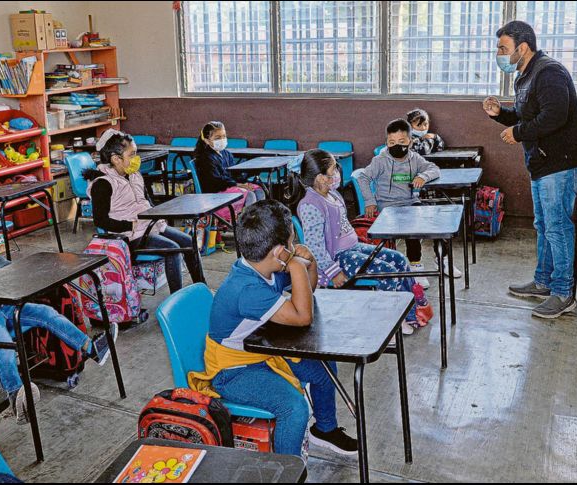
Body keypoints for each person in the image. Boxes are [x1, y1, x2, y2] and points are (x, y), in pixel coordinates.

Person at [188, 200, 357, 457]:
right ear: (279, 252)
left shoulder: (263, 269)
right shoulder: (247, 290)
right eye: (291, 242)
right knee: (294, 408)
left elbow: (306, 293)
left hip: (259, 351)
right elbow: (302, 316)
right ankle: (287, 470)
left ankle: (325, 429)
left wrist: (308, 263)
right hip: (233, 372)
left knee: (324, 367)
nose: (294, 246)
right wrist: (296, 265)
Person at [483, 21, 577, 319]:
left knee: (557, 227)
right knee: (543, 225)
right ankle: (543, 282)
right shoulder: (526, 76)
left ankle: (563, 293)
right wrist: (500, 115)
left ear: (523, 47)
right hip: (542, 162)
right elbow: (525, 113)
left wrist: (517, 132)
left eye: (503, 48)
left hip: (561, 162)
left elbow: (554, 116)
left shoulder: (549, 73)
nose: (499, 54)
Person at [290, 149, 432, 332]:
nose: (337, 173)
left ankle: (410, 312)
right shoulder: (310, 205)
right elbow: (314, 247)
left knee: (399, 259)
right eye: (333, 170)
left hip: (353, 247)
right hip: (338, 258)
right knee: (387, 273)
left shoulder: (332, 193)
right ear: (320, 177)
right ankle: (391, 323)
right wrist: (334, 272)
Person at [0, 254, 115, 424]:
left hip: (4, 305)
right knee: (3, 342)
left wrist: (16, 273)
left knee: (46, 313)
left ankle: (92, 349)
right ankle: (17, 396)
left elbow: (1, 265)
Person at [86, 129, 202, 294]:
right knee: (173, 249)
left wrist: (159, 215)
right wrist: (131, 225)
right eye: (132, 154)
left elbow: (146, 202)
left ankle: (201, 286)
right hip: (129, 235)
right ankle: (178, 297)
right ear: (116, 159)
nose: (136, 159)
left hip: (149, 226)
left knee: (189, 242)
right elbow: (101, 221)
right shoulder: (103, 184)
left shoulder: (134, 175)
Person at [358, 118, 462, 288]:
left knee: (436, 222)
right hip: (388, 208)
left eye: (401, 141)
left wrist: (423, 176)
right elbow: (363, 177)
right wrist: (370, 201)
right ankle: (415, 265)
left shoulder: (415, 158)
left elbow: (434, 169)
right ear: (386, 142)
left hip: (410, 202)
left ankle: (442, 259)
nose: (396, 145)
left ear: (410, 142)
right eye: (391, 142)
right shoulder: (380, 160)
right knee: (412, 226)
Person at [193, 121, 265, 221]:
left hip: (228, 187)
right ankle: (246, 226)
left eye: (224, 136)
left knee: (258, 190)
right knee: (249, 195)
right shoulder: (205, 158)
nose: (222, 140)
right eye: (217, 138)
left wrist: (246, 177)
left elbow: (234, 173)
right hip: (215, 194)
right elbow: (215, 182)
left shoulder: (226, 154)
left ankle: (257, 222)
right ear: (206, 140)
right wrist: (237, 184)